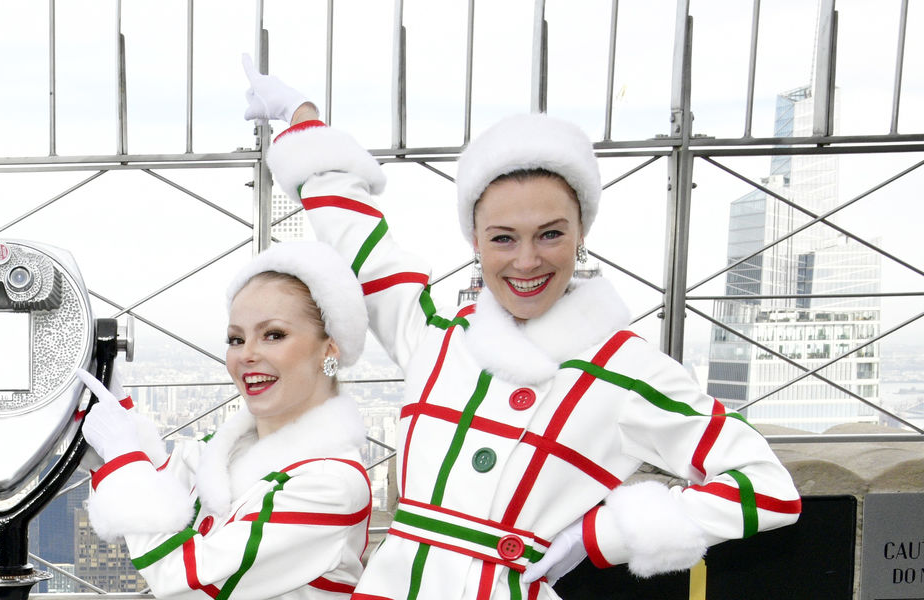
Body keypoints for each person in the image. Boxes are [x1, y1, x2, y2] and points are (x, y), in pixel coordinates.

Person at [242, 59, 800, 599]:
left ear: (582, 231)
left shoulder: (628, 370)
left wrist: (599, 535)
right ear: (475, 240)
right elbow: (359, 240)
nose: (527, 261)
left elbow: (769, 490)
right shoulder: (436, 331)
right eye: (503, 237)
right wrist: (303, 118)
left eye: (551, 234)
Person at [76, 241, 373, 599]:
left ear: (330, 347)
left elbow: (187, 578)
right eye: (236, 338)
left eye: (273, 335)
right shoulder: (224, 452)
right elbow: (162, 488)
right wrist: (114, 402)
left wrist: (122, 456)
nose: (247, 355)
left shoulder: (331, 486)